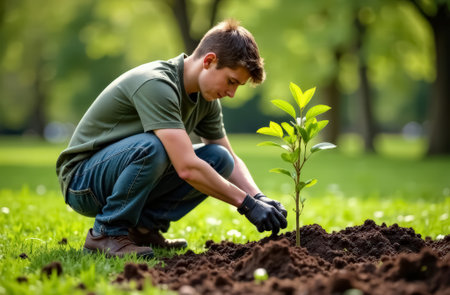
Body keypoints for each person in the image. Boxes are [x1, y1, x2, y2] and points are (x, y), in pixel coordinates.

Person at [56, 19, 287, 259]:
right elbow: (187, 167)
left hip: (117, 172)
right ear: (209, 61)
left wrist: (259, 197)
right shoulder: (157, 83)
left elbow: (229, 157)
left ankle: (142, 229)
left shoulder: (206, 101)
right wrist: (246, 204)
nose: (231, 93)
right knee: (153, 147)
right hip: (82, 181)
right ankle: (106, 233)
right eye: (231, 81)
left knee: (218, 159)